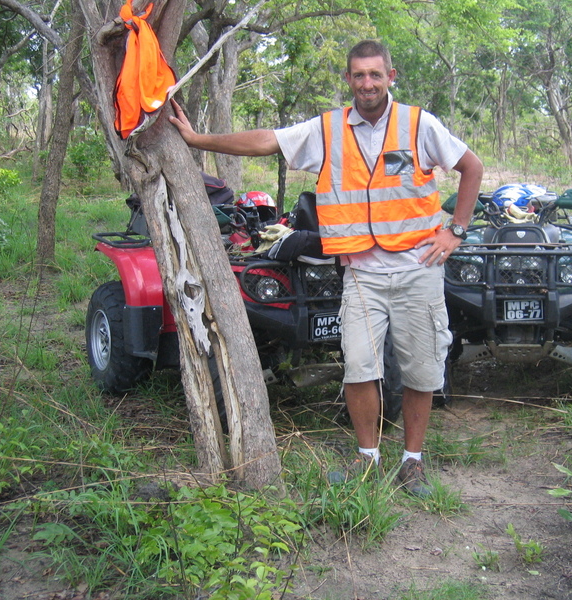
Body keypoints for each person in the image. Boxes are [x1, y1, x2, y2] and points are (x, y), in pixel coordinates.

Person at [169, 39, 483, 496]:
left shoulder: (419, 125)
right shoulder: (328, 130)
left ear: (390, 77)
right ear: (349, 79)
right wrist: (199, 140)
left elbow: (471, 167)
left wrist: (456, 230)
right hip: (360, 273)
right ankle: (368, 459)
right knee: (358, 368)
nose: (367, 83)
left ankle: (412, 461)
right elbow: (266, 141)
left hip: (418, 268)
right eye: (359, 75)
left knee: (420, 371)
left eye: (376, 74)